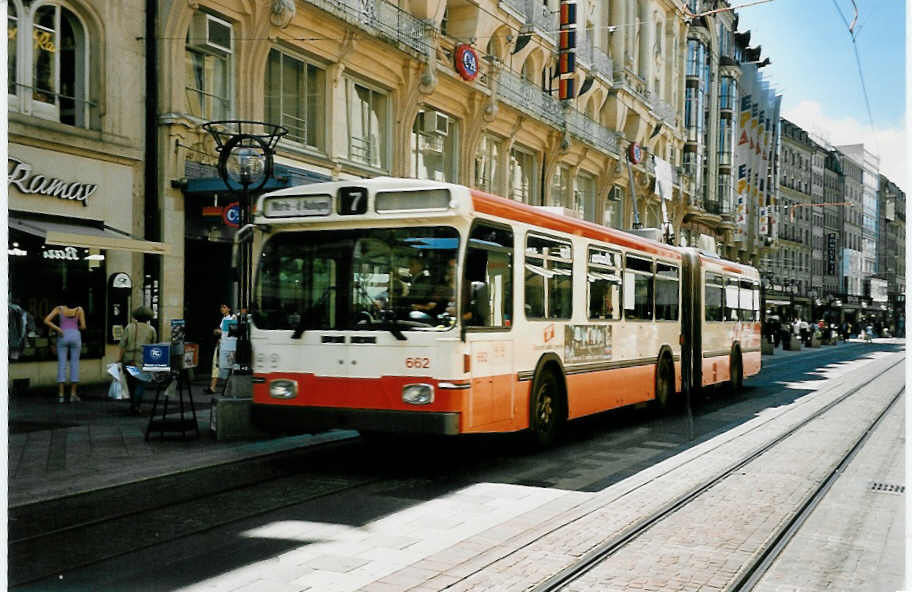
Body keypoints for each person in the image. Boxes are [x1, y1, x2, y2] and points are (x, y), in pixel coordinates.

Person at [44, 295, 86, 403]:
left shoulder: (59, 309)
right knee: (74, 364)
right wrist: (77, 327)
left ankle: (61, 395)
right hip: (75, 336)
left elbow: (46, 320)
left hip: (62, 335)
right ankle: (73, 394)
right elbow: (83, 326)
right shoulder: (79, 309)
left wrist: (58, 329)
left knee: (61, 364)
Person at [118, 306, 157, 415]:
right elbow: (153, 347)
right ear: (148, 318)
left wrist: (119, 359)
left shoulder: (129, 327)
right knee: (141, 382)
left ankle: (132, 404)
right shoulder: (151, 329)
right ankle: (136, 405)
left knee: (132, 382)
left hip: (129, 360)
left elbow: (122, 345)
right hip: (142, 361)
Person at [206, 303, 236, 394]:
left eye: (224, 307)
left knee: (228, 365)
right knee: (216, 364)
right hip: (221, 344)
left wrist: (219, 331)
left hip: (228, 346)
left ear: (229, 309)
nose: (222, 309)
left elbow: (231, 332)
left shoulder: (232, 318)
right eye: (221, 307)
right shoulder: (223, 319)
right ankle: (212, 387)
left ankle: (226, 387)